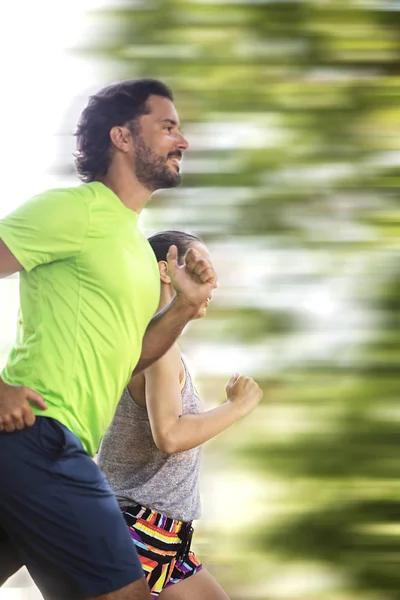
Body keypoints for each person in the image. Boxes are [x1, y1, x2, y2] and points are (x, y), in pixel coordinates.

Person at [0, 79, 217, 600]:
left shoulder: (135, 252)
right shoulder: (75, 209)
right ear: (122, 137)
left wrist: (184, 308)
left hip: (48, 447)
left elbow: (130, 356)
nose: (181, 141)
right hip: (38, 438)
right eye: (167, 127)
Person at [98, 230, 263, 600]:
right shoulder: (160, 348)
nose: (212, 280)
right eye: (199, 265)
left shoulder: (158, 344)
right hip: (137, 530)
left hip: (171, 542)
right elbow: (170, 435)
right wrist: (236, 407)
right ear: (165, 270)